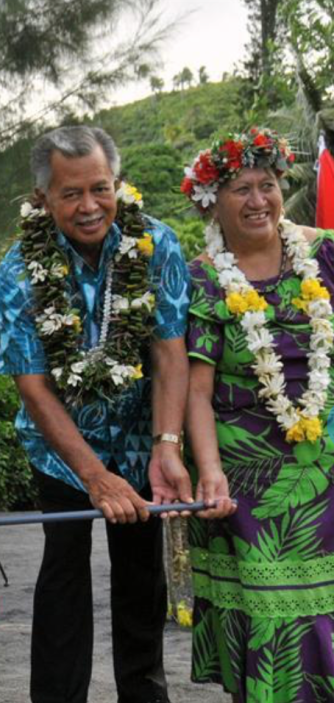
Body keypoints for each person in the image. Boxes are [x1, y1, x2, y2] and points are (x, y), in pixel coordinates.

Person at [0, 125, 193, 703]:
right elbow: (33, 387)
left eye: (99, 189)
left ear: (118, 184)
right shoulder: (16, 271)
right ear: (43, 199)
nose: (88, 207)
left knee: (140, 576)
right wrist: (93, 476)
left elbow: (169, 351)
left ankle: (145, 694)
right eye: (70, 194)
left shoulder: (158, 243)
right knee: (65, 571)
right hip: (59, 452)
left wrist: (167, 444)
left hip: (139, 438)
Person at [180, 128, 334, 702]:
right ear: (212, 201)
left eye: (266, 185)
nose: (257, 201)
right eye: (240, 188)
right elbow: (197, 391)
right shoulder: (200, 279)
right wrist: (210, 470)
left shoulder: (324, 255)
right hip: (249, 474)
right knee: (274, 613)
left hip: (328, 460)